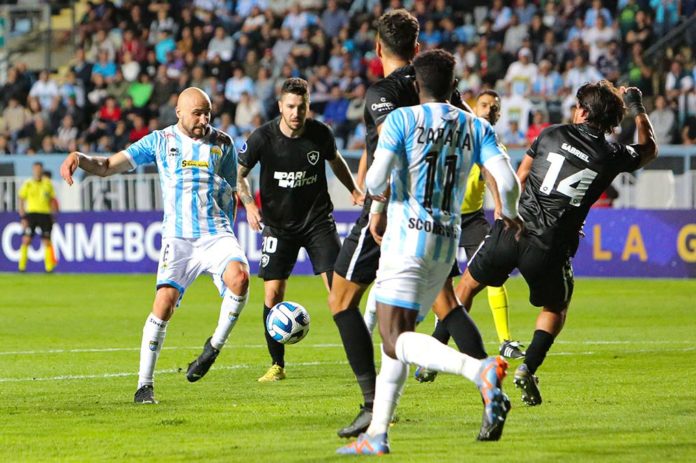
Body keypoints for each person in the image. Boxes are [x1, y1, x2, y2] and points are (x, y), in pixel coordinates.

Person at [337, 49, 521, 455]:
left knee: (394, 337)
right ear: (455, 86)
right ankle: (378, 435)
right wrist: (509, 214)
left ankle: (480, 370)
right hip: (445, 241)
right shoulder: (476, 126)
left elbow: (378, 178)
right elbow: (507, 182)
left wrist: (380, 205)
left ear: (416, 85)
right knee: (402, 331)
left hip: (406, 239)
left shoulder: (402, 119)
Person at [458, 81, 658, 407]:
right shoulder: (611, 155)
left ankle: (448, 354)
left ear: (581, 111)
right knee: (555, 307)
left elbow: (521, 174)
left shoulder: (551, 133)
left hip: (512, 228)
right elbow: (650, 149)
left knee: (466, 286)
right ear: (610, 121)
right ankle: (528, 367)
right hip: (550, 245)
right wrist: (637, 106)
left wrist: (505, 209)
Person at [59, 87, 251, 404]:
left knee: (241, 278)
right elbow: (108, 166)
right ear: (178, 112)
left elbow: (232, 186)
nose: (205, 119)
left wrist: (241, 215)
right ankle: (144, 385)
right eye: (198, 113)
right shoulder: (160, 141)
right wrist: (80, 158)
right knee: (164, 304)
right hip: (177, 238)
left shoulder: (223, 143)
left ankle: (213, 347)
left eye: (208, 113)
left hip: (216, 232)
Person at [237, 78, 362, 382]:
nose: (296, 112)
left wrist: (355, 191)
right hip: (278, 228)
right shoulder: (261, 138)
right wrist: (250, 207)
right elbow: (238, 175)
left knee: (340, 293)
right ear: (280, 106)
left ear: (308, 106)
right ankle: (277, 365)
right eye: (290, 107)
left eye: (301, 107)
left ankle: (358, 361)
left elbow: (337, 161)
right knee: (273, 294)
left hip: (318, 222)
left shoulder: (320, 133)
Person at [405, 90, 525, 385]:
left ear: (498, 115)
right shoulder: (460, 132)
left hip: (472, 219)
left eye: (494, 108)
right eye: (483, 105)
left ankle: (505, 340)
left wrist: (499, 205)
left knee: (491, 275)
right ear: (474, 107)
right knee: (447, 289)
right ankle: (436, 350)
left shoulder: (492, 142)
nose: (488, 110)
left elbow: (493, 175)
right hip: (443, 217)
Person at [18, 162, 59, 273]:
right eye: (35, 169)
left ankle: (49, 268)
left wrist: (53, 214)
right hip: (31, 214)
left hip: (45, 214)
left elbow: (52, 200)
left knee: (47, 241)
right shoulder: (28, 184)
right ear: (33, 170)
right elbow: (21, 199)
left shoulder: (47, 184)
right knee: (26, 240)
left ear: (42, 170)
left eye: (39, 169)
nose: (37, 171)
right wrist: (22, 216)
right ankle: (21, 267)